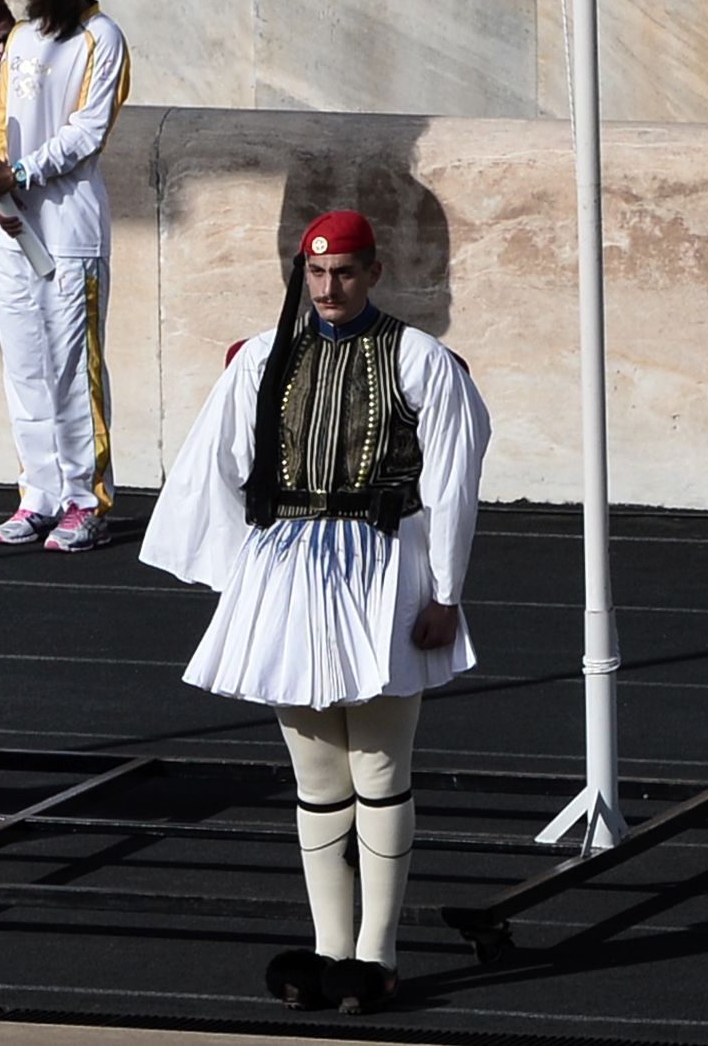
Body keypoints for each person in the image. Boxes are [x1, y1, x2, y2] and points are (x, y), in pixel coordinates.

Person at [141, 209, 490, 1018]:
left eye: (344, 273)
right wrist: (245, 579)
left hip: (381, 575)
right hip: (290, 571)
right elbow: (215, 466)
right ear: (303, 273)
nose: (329, 287)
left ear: (372, 273)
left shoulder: (420, 359)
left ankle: (380, 953)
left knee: (379, 769)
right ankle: (331, 948)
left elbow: (451, 486)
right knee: (318, 777)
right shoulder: (263, 358)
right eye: (316, 273)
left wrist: (447, 593)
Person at [0, 0, 129, 555]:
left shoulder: (102, 39)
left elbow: (88, 132)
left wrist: (22, 172)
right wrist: (0, 184)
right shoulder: (24, 39)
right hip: (12, 224)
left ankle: (86, 499)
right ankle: (39, 492)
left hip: (70, 230)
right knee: (26, 366)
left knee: (70, 368)